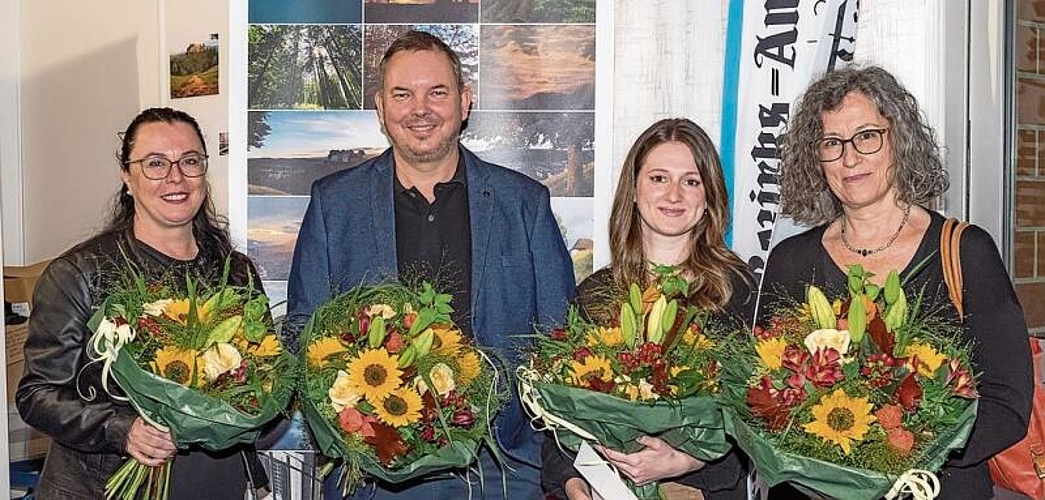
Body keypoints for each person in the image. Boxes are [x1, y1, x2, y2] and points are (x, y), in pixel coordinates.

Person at [283, 30, 575, 498]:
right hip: (374, 472)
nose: (420, 109)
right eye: (403, 94)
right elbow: (302, 331)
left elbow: (561, 342)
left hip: (501, 471)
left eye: (437, 92)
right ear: (381, 108)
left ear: (464, 102)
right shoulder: (334, 205)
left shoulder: (524, 204)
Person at [762, 65, 1033, 499]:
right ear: (815, 159)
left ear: (899, 139)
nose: (850, 158)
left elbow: (1007, 402)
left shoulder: (966, 252)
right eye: (832, 143)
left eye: (867, 136)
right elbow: (765, 395)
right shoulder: (791, 263)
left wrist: (898, 454)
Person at [15, 108, 269, 499]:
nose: (175, 177)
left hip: (217, 484)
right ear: (127, 178)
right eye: (155, 163)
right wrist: (122, 429)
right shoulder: (80, 273)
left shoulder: (236, 273)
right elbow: (38, 394)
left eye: (189, 161)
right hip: (105, 486)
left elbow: (263, 375)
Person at [541, 118, 753, 500]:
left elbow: (757, 418)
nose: (674, 194)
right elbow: (559, 419)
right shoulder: (595, 294)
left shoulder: (737, 291)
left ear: (708, 199)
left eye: (691, 181)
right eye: (659, 178)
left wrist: (685, 461)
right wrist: (575, 484)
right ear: (634, 191)